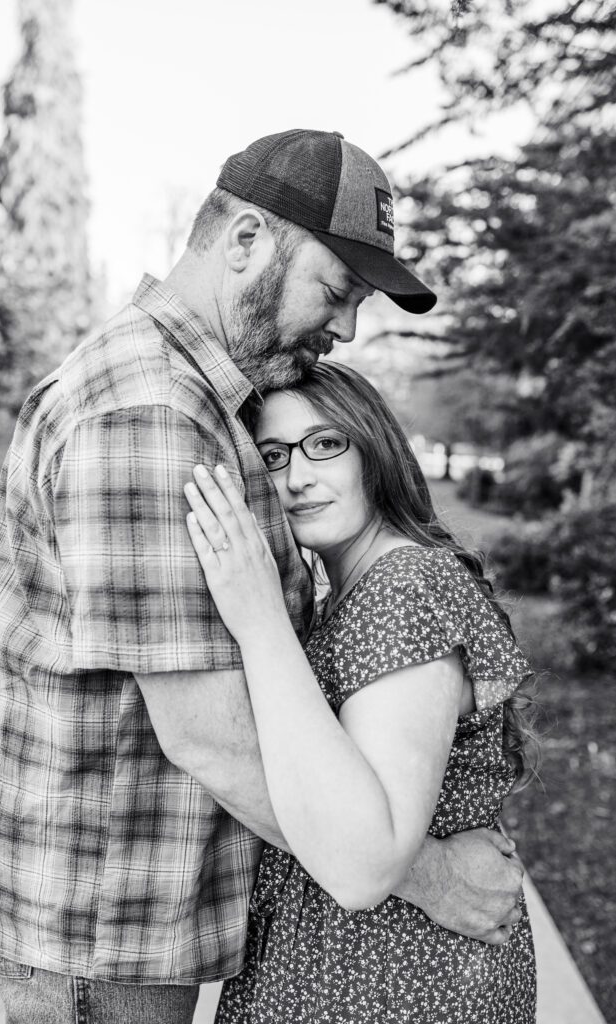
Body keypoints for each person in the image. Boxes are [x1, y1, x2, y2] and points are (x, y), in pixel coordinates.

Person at [0, 130, 523, 1024]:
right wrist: (436, 879)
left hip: (117, 910)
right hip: (104, 926)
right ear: (245, 239)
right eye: (337, 290)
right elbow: (211, 738)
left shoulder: (201, 400)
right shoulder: (150, 415)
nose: (347, 328)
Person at [184, 361, 537, 1024]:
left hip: (392, 977)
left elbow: (359, 868)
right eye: (272, 456)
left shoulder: (403, 588)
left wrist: (256, 617)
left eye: (324, 444)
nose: (296, 478)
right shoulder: (354, 589)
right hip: (359, 961)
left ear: (371, 447)